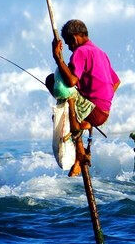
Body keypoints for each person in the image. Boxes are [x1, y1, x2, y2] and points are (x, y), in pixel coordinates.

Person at [51, 19, 120, 174]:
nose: (69, 48)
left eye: (69, 44)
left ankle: (79, 151)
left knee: (54, 82)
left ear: (75, 38)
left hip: (94, 111)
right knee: (77, 96)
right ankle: (81, 147)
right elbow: (116, 82)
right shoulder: (101, 52)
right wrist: (98, 98)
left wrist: (58, 59)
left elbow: (71, 81)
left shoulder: (80, 52)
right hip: (104, 112)